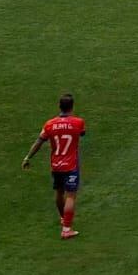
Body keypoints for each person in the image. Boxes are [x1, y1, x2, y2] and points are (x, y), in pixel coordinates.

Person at [22, 93, 86, 240]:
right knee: (70, 195)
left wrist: (27, 157)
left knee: (59, 193)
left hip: (56, 165)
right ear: (72, 107)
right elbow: (82, 133)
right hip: (70, 165)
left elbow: (39, 141)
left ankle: (64, 219)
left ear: (59, 106)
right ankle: (66, 229)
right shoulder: (78, 122)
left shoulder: (49, 124)